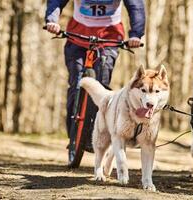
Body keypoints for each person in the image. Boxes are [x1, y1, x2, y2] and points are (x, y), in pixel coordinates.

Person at [45, 0, 145, 158]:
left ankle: (100, 133)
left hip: (109, 39)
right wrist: (52, 20)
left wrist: (136, 34)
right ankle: (75, 135)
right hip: (77, 37)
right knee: (76, 83)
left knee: (101, 86)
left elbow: (135, 6)